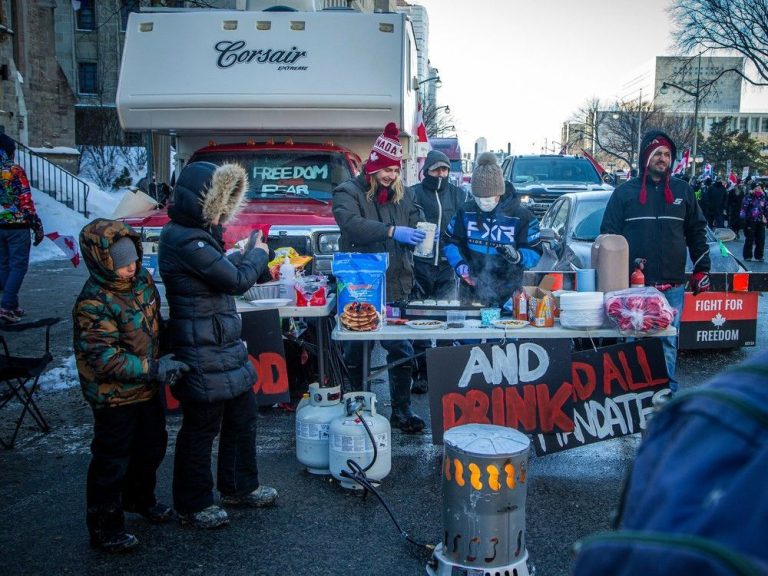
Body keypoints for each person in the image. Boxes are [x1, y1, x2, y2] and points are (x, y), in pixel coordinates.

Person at [159, 162, 278, 529]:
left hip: (221, 343)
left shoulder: (199, 233)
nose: (225, 207)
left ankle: (240, 487)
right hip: (201, 348)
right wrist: (258, 252)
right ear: (202, 199)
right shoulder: (184, 238)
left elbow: (225, 273)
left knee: (243, 418)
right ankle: (192, 504)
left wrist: (245, 254)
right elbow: (236, 280)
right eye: (220, 198)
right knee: (201, 428)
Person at [73, 219, 184, 553]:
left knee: (151, 445)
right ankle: (104, 526)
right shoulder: (93, 302)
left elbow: (154, 327)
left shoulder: (142, 282)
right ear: (102, 262)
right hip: (113, 397)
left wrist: (172, 345)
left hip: (146, 388)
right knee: (112, 459)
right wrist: (154, 368)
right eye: (122, 265)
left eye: (133, 260)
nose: (130, 268)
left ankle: (139, 499)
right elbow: (104, 360)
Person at [332, 122, 426, 434]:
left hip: (398, 283)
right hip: (361, 287)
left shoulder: (403, 195)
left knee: (401, 350)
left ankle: (402, 410)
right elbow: (350, 224)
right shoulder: (348, 192)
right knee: (357, 349)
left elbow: (414, 219)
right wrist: (390, 231)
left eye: (395, 171)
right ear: (372, 168)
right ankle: (357, 408)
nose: (390, 176)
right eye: (385, 170)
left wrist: (420, 232)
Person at [601, 130, 710, 392]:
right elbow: (607, 236)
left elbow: (697, 232)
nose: (663, 158)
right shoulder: (624, 193)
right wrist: (610, 275)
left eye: (667, 155)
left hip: (672, 287)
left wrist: (701, 269)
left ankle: (666, 397)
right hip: (632, 287)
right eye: (657, 153)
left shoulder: (684, 191)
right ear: (646, 158)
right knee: (630, 342)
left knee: (667, 343)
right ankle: (630, 396)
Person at [443, 152, 542, 305]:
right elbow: (450, 242)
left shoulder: (522, 217)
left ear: (499, 193)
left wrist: (517, 256)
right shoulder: (465, 211)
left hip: (508, 291)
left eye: (488, 198)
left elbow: (535, 252)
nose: (483, 203)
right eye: (479, 198)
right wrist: (459, 264)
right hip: (471, 289)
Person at [408, 149, 467, 394]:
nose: (441, 174)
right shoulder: (413, 193)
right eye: (436, 169)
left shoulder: (458, 194)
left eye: (444, 169)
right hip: (419, 264)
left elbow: (464, 227)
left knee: (446, 317)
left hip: (446, 265)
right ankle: (420, 372)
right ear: (427, 171)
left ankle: (443, 372)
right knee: (420, 319)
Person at [0, 133, 44, 323]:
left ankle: (11, 303)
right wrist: (34, 221)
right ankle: (7, 305)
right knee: (18, 265)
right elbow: (25, 198)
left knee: (3, 264)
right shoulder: (14, 170)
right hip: (17, 225)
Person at [739, 180, 767, 262]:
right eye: (757, 188)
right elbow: (743, 209)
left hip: (760, 221)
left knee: (761, 239)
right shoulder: (748, 197)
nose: (758, 189)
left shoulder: (764, 197)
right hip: (750, 221)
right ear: (753, 189)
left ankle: (759, 256)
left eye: (760, 188)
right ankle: (747, 256)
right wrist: (742, 220)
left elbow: (766, 208)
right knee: (749, 239)